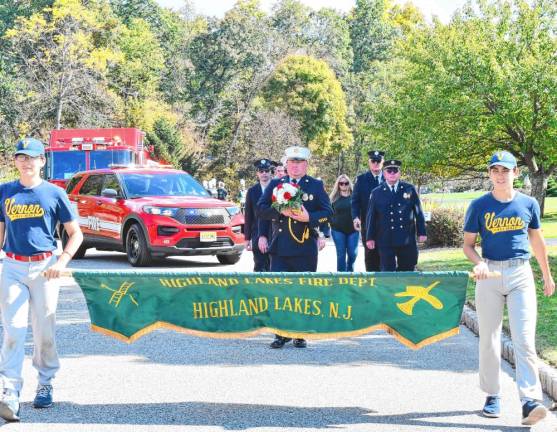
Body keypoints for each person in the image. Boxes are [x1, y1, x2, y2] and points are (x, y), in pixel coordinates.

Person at [463, 150, 555, 426]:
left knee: (524, 339)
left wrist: (547, 275)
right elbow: (468, 244)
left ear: (517, 173)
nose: (500, 175)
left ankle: (530, 402)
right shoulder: (479, 205)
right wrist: (479, 263)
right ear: (490, 174)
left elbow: (537, 241)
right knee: (489, 339)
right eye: (495, 170)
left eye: (506, 170)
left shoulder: (528, 204)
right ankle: (492, 395)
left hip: (520, 273)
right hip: (489, 273)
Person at [0, 138, 83, 421]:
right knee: (13, 330)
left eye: (32, 157)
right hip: (12, 266)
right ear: (16, 161)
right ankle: (10, 391)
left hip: (45, 268)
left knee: (44, 331)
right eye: (21, 157)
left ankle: (45, 382)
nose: (26, 162)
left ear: (42, 161)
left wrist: (61, 262)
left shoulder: (54, 194)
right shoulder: (5, 192)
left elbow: (76, 234)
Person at [257, 146, 332, 349]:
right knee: (280, 292)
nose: (295, 166)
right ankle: (280, 333)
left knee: (302, 291)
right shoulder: (276, 184)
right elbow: (260, 210)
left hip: (305, 247)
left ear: (306, 165)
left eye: (299, 162)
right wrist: (281, 210)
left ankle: (300, 333)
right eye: (292, 162)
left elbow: (328, 212)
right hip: (280, 248)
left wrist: (310, 218)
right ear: (286, 165)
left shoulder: (315, 185)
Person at [365, 159, 426, 271]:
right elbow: (371, 217)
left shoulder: (409, 189)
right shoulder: (376, 192)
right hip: (385, 238)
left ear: (399, 173)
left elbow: (418, 212)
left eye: (395, 170)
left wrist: (422, 232)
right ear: (384, 173)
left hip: (406, 238)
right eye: (389, 171)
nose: (392, 173)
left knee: (408, 270)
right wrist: (370, 237)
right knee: (387, 272)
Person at [352, 150, 385, 271]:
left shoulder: (390, 177)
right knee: (370, 254)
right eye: (373, 161)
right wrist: (355, 217)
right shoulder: (361, 179)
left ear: (383, 162)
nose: (376, 163)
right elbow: (355, 201)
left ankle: (385, 284)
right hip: (368, 223)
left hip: (386, 224)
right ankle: (372, 283)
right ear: (369, 162)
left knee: (386, 253)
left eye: (378, 161)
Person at [244, 159, 273, 271]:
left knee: (273, 268)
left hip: (274, 233)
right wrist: (247, 238)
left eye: (266, 170)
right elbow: (248, 215)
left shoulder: (278, 189)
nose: (264, 173)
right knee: (259, 267)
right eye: (261, 171)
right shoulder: (252, 191)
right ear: (257, 173)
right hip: (256, 234)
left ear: (271, 172)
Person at [329, 174, 359, 271]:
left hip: (353, 230)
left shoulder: (355, 197)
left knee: (352, 254)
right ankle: (341, 278)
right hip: (337, 230)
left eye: (346, 183)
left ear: (349, 184)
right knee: (341, 255)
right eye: (341, 183)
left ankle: (350, 275)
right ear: (338, 185)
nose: (344, 185)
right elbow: (328, 214)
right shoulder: (333, 198)